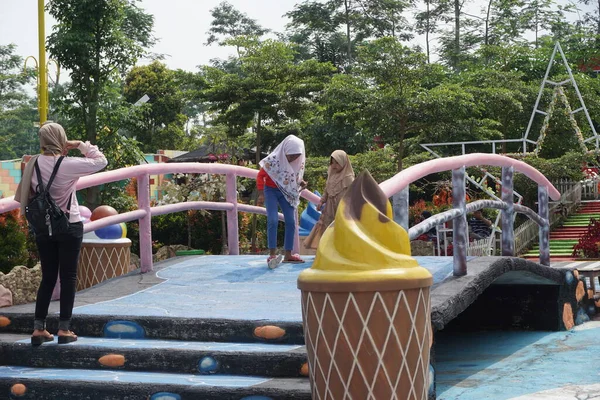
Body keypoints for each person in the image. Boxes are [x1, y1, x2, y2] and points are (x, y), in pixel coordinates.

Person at [14, 122, 108, 345]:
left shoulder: (32, 163)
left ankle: (39, 329)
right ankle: (64, 329)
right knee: (67, 278)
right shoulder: (67, 165)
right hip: (68, 225)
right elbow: (101, 161)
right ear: (61, 139)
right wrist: (80, 145)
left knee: (47, 278)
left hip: (42, 227)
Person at [256, 135, 307, 269]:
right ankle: (272, 254)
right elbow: (261, 176)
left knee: (291, 222)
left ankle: (288, 254)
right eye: (290, 155)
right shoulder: (273, 160)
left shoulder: (297, 162)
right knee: (272, 220)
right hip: (271, 191)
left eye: (296, 155)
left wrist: (301, 182)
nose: (292, 158)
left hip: (287, 193)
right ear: (284, 151)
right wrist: (261, 194)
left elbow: (295, 177)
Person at [304, 150, 355, 249]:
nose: (334, 165)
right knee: (327, 227)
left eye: (337, 163)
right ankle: (327, 250)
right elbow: (327, 190)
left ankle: (343, 250)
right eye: (332, 162)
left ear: (344, 162)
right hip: (330, 207)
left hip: (342, 207)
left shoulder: (348, 177)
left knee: (342, 227)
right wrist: (322, 201)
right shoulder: (331, 174)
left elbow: (352, 194)